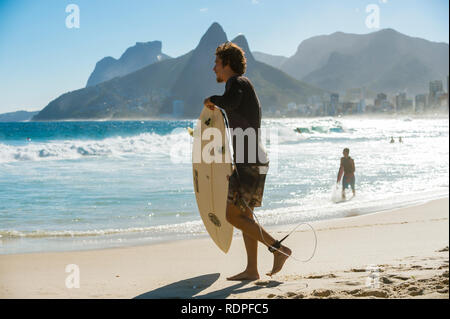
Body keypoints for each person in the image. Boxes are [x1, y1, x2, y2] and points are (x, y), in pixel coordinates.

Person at [203, 42, 291, 280]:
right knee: (245, 217)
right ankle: (252, 270)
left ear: (227, 64)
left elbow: (229, 103)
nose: (214, 69)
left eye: (217, 64)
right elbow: (233, 107)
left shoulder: (237, 83)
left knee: (233, 216)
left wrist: (211, 99)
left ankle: (278, 249)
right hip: (253, 158)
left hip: (250, 160)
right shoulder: (243, 86)